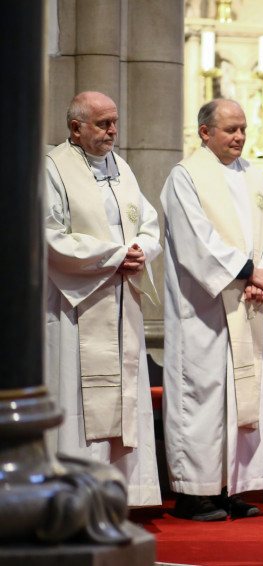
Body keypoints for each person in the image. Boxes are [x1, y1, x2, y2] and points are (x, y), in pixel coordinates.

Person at [160, 99, 263, 522]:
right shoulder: (185, 177)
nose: (239, 137)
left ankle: (230, 487)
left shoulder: (255, 177)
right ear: (205, 133)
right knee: (202, 396)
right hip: (202, 310)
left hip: (247, 302)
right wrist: (249, 272)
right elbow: (195, 240)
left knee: (242, 397)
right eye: (230, 130)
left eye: (242, 129)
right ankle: (192, 493)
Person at [45, 91, 162, 507]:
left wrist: (141, 251)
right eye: (103, 123)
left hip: (122, 298)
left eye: (114, 122)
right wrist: (114, 256)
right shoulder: (53, 168)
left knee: (124, 395)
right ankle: (76, 497)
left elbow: (149, 223)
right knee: (79, 399)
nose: (113, 131)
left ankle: (121, 494)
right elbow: (49, 236)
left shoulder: (121, 168)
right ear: (76, 128)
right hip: (77, 304)